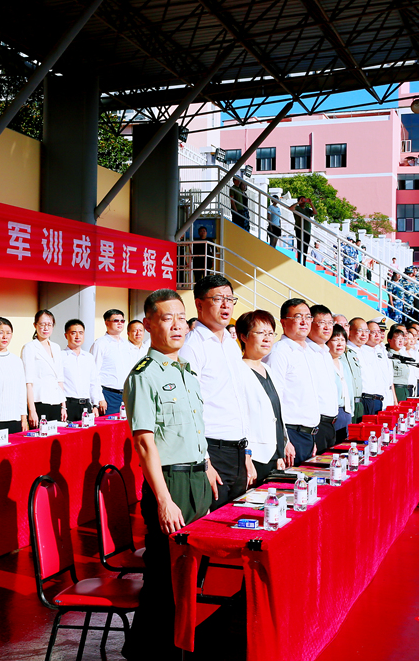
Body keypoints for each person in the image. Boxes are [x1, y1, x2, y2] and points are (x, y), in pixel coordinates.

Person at [122, 288, 213, 660]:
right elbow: (145, 443)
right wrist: (163, 500)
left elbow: (193, 428)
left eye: (180, 317)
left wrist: (207, 466)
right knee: (164, 578)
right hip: (170, 483)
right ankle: (147, 652)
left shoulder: (186, 371)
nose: (177, 325)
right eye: (166, 318)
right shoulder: (144, 375)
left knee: (194, 575)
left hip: (197, 480)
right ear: (148, 324)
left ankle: (181, 647)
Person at [179, 274, 254, 511]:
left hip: (238, 450)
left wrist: (247, 453)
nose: (226, 305)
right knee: (214, 521)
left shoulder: (231, 344)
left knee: (236, 519)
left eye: (230, 299)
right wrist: (205, 462)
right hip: (212, 451)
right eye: (218, 299)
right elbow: (188, 408)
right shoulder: (191, 347)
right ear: (199, 304)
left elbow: (239, 400)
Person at [236, 310, 295, 484]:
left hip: (273, 455)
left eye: (270, 333)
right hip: (254, 456)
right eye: (261, 333)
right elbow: (241, 418)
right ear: (244, 337)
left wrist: (281, 448)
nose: (267, 338)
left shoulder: (267, 368)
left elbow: (275, 412)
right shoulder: (238, 370)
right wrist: (246, 455)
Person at [263, 298, 321, 464]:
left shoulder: (308, 351)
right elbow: (273, 399)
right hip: (291, 434)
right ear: (283, 322)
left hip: (308, 435)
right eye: (298, 317)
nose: (304, 321)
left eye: (308, 317)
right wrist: (284, 440)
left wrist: (312, 436)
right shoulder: (279, 352)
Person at [302, 304, 340, 452]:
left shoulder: (326, 352)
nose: (327, 327)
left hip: (331, 423)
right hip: (316, 424)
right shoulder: (305, 352)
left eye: (330, 323)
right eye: (322, 322)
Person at [0, 317, 29, 436]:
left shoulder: (17, 361)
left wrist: (23, 418)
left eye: (8, 333)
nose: (5, 337)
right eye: (1, 332)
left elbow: (21, 391)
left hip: (14, 419)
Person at [22, 309, 66, 427]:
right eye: (42, 324)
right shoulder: (29, 347)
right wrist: (32, 411)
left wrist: (63, 406)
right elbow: (28, 382)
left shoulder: (56, 347)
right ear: (35, 325)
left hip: (56, 401)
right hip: (39, 401)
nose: (46, 328)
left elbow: (60, 379)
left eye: (49, 325)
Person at [91, 309, 136, 412]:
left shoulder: (127, 344)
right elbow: (94, 373)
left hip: (126, 394)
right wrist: (99, 398)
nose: (120, 323)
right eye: (116, 320)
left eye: (122, 321)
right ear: (107, 323)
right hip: (108, 395)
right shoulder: (100, 344)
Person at [60, 318, 105, 422]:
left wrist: (95, 405)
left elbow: (94, 382)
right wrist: (63, 407)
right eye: (73, 333)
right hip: (68, 405)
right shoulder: (60, 356)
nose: (77, 336)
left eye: (81, 333)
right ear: (66, 335)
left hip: (86, 405)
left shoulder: (89, 357)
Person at [348, 317, 384, 415]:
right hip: (360, 400)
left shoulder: (365, 351)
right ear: (349, 331)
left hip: (372, 399)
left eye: (366, 331)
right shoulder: (347, 351)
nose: (364, 334)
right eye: (360, 331)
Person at [327, 325, 355, 443]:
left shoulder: (344, 364)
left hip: (346, 412)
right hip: (331, 415)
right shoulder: (325, 363)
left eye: (343, 340)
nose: (340, 344)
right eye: (335, 340)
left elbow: (350, 391)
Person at [369, 320, 397, 409]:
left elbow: (389, 377)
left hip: (388, 394)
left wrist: (394, 399)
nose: (380, 334)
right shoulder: (369, 349)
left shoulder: (383, 349)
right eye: (376, 331)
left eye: (382, 331)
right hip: (378, 396)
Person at [387, 328, 413, 401]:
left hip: (404, 389)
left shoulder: (401, 354)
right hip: (396, 390)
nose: (401, 341)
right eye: (398, 338)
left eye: (402, 338)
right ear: (389, 340)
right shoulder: (388, 356)